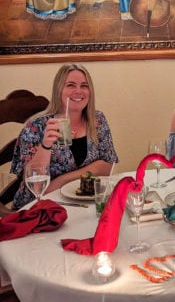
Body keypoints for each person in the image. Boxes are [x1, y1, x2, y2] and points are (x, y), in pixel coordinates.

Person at [11, 63, 119, 209]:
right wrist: (46, 146)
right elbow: (35, 185)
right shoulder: (36, 127)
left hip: (83, 204)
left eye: (84, 86)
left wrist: (60, 181)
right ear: (59, 90)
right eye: (71, 85)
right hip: (39, 208)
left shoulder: (97, 120)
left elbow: (107, 166)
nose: (78, 91)